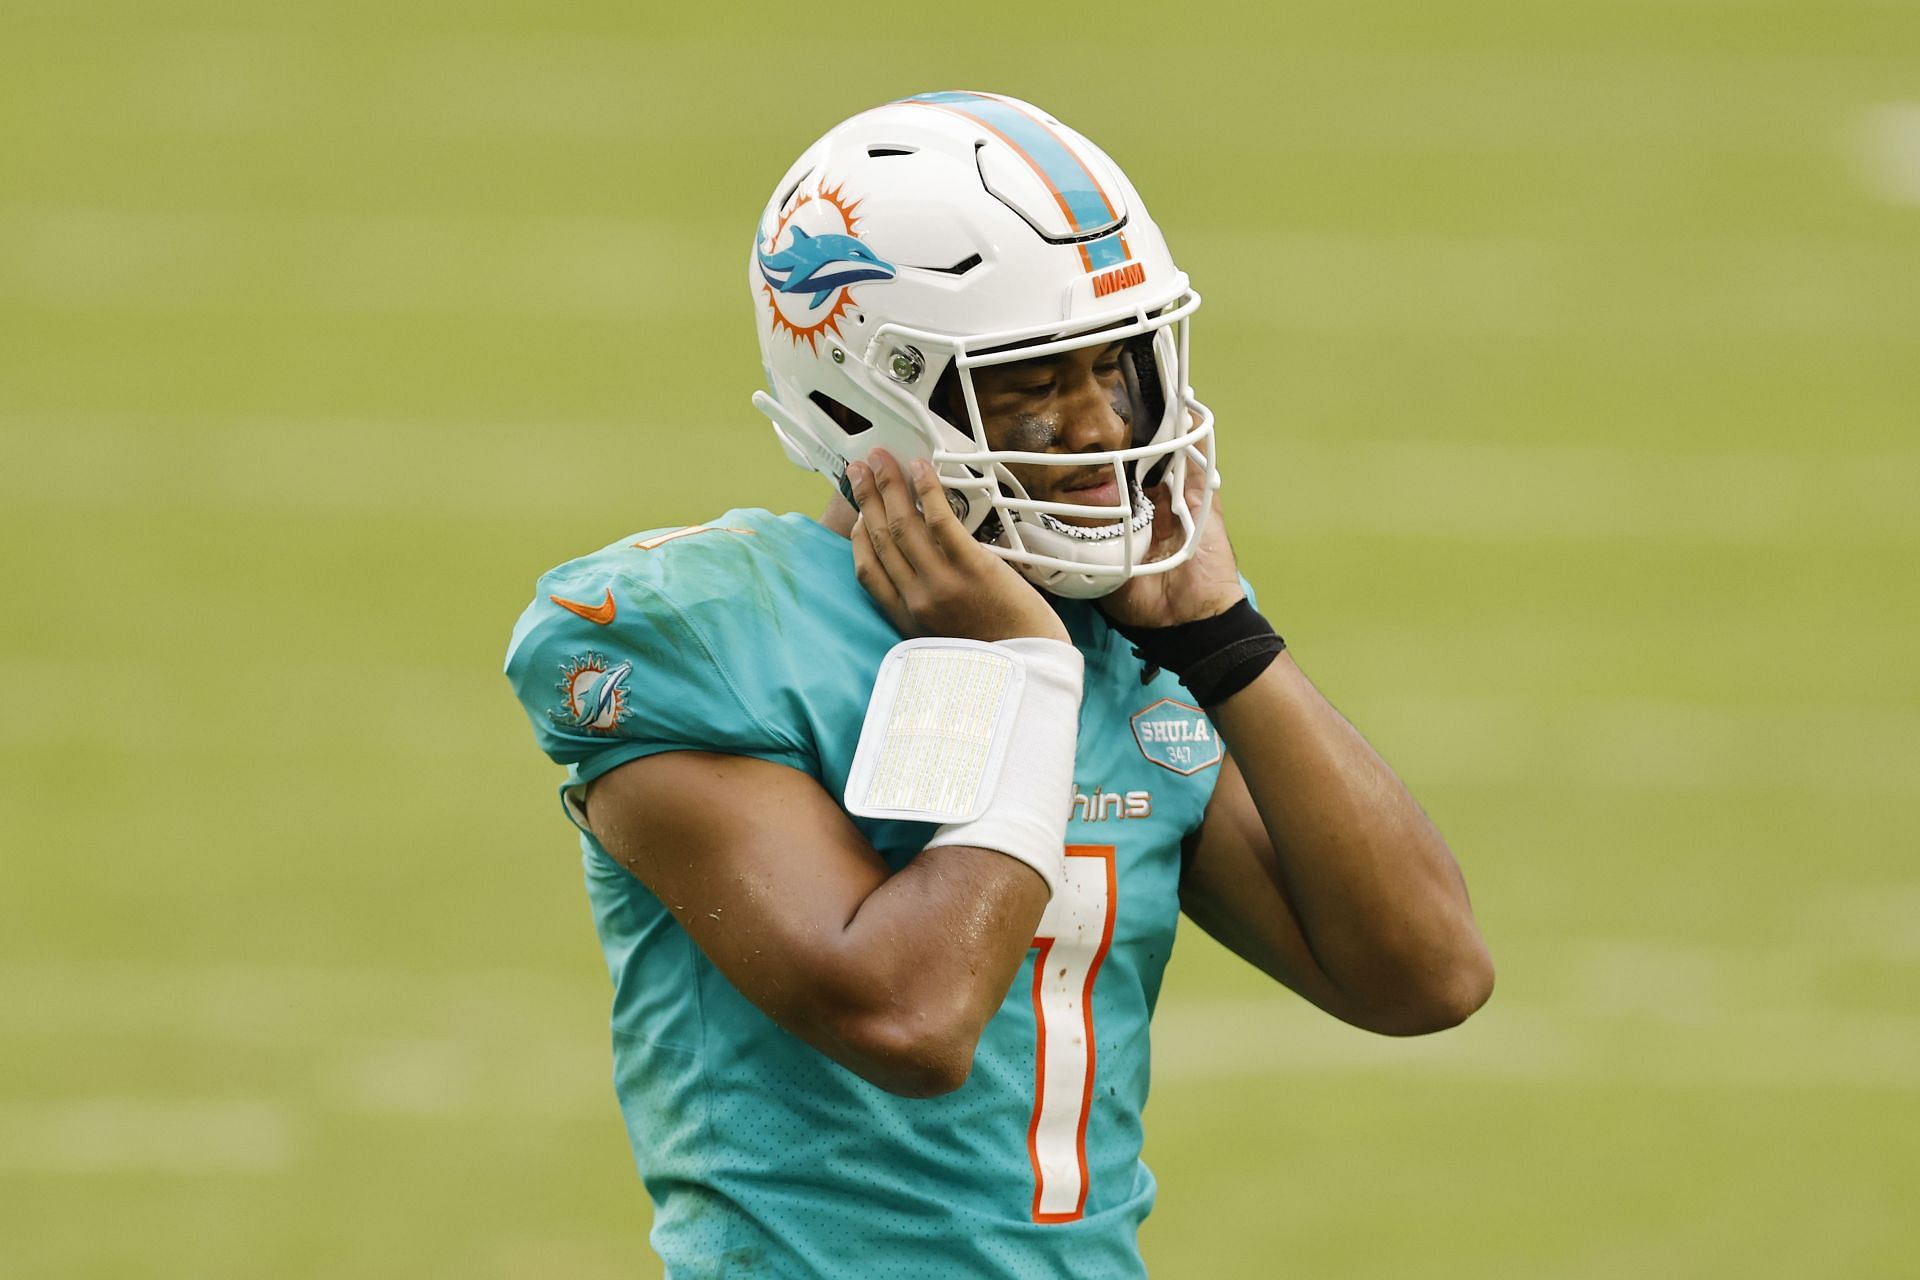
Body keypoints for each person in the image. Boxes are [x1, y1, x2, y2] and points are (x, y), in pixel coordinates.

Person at [505, 90, 1493, 1279]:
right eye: (1031, 384)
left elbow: (1424, 974)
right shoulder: (707, 633)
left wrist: (1225, 639)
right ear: (868, 393)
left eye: (1121, 369)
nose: (1097, 427)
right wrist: (1017, 670)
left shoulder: (1122, 642)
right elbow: (907, 1015)